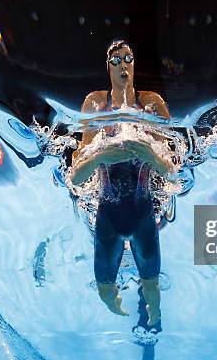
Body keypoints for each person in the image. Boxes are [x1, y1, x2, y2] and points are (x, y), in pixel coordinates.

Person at [69, 40, 174, 326]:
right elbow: (76, 176)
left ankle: (154, 324)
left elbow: (171, 172)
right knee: (105, 291)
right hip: (106, 215)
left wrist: (147, 152)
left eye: (128, 58)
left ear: (134, 63)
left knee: (153, 291)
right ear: (108, 67)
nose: (123, 64)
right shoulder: (95, 103)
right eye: (115, 60)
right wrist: (103, 153)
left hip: (144, 214)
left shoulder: (151, 103)